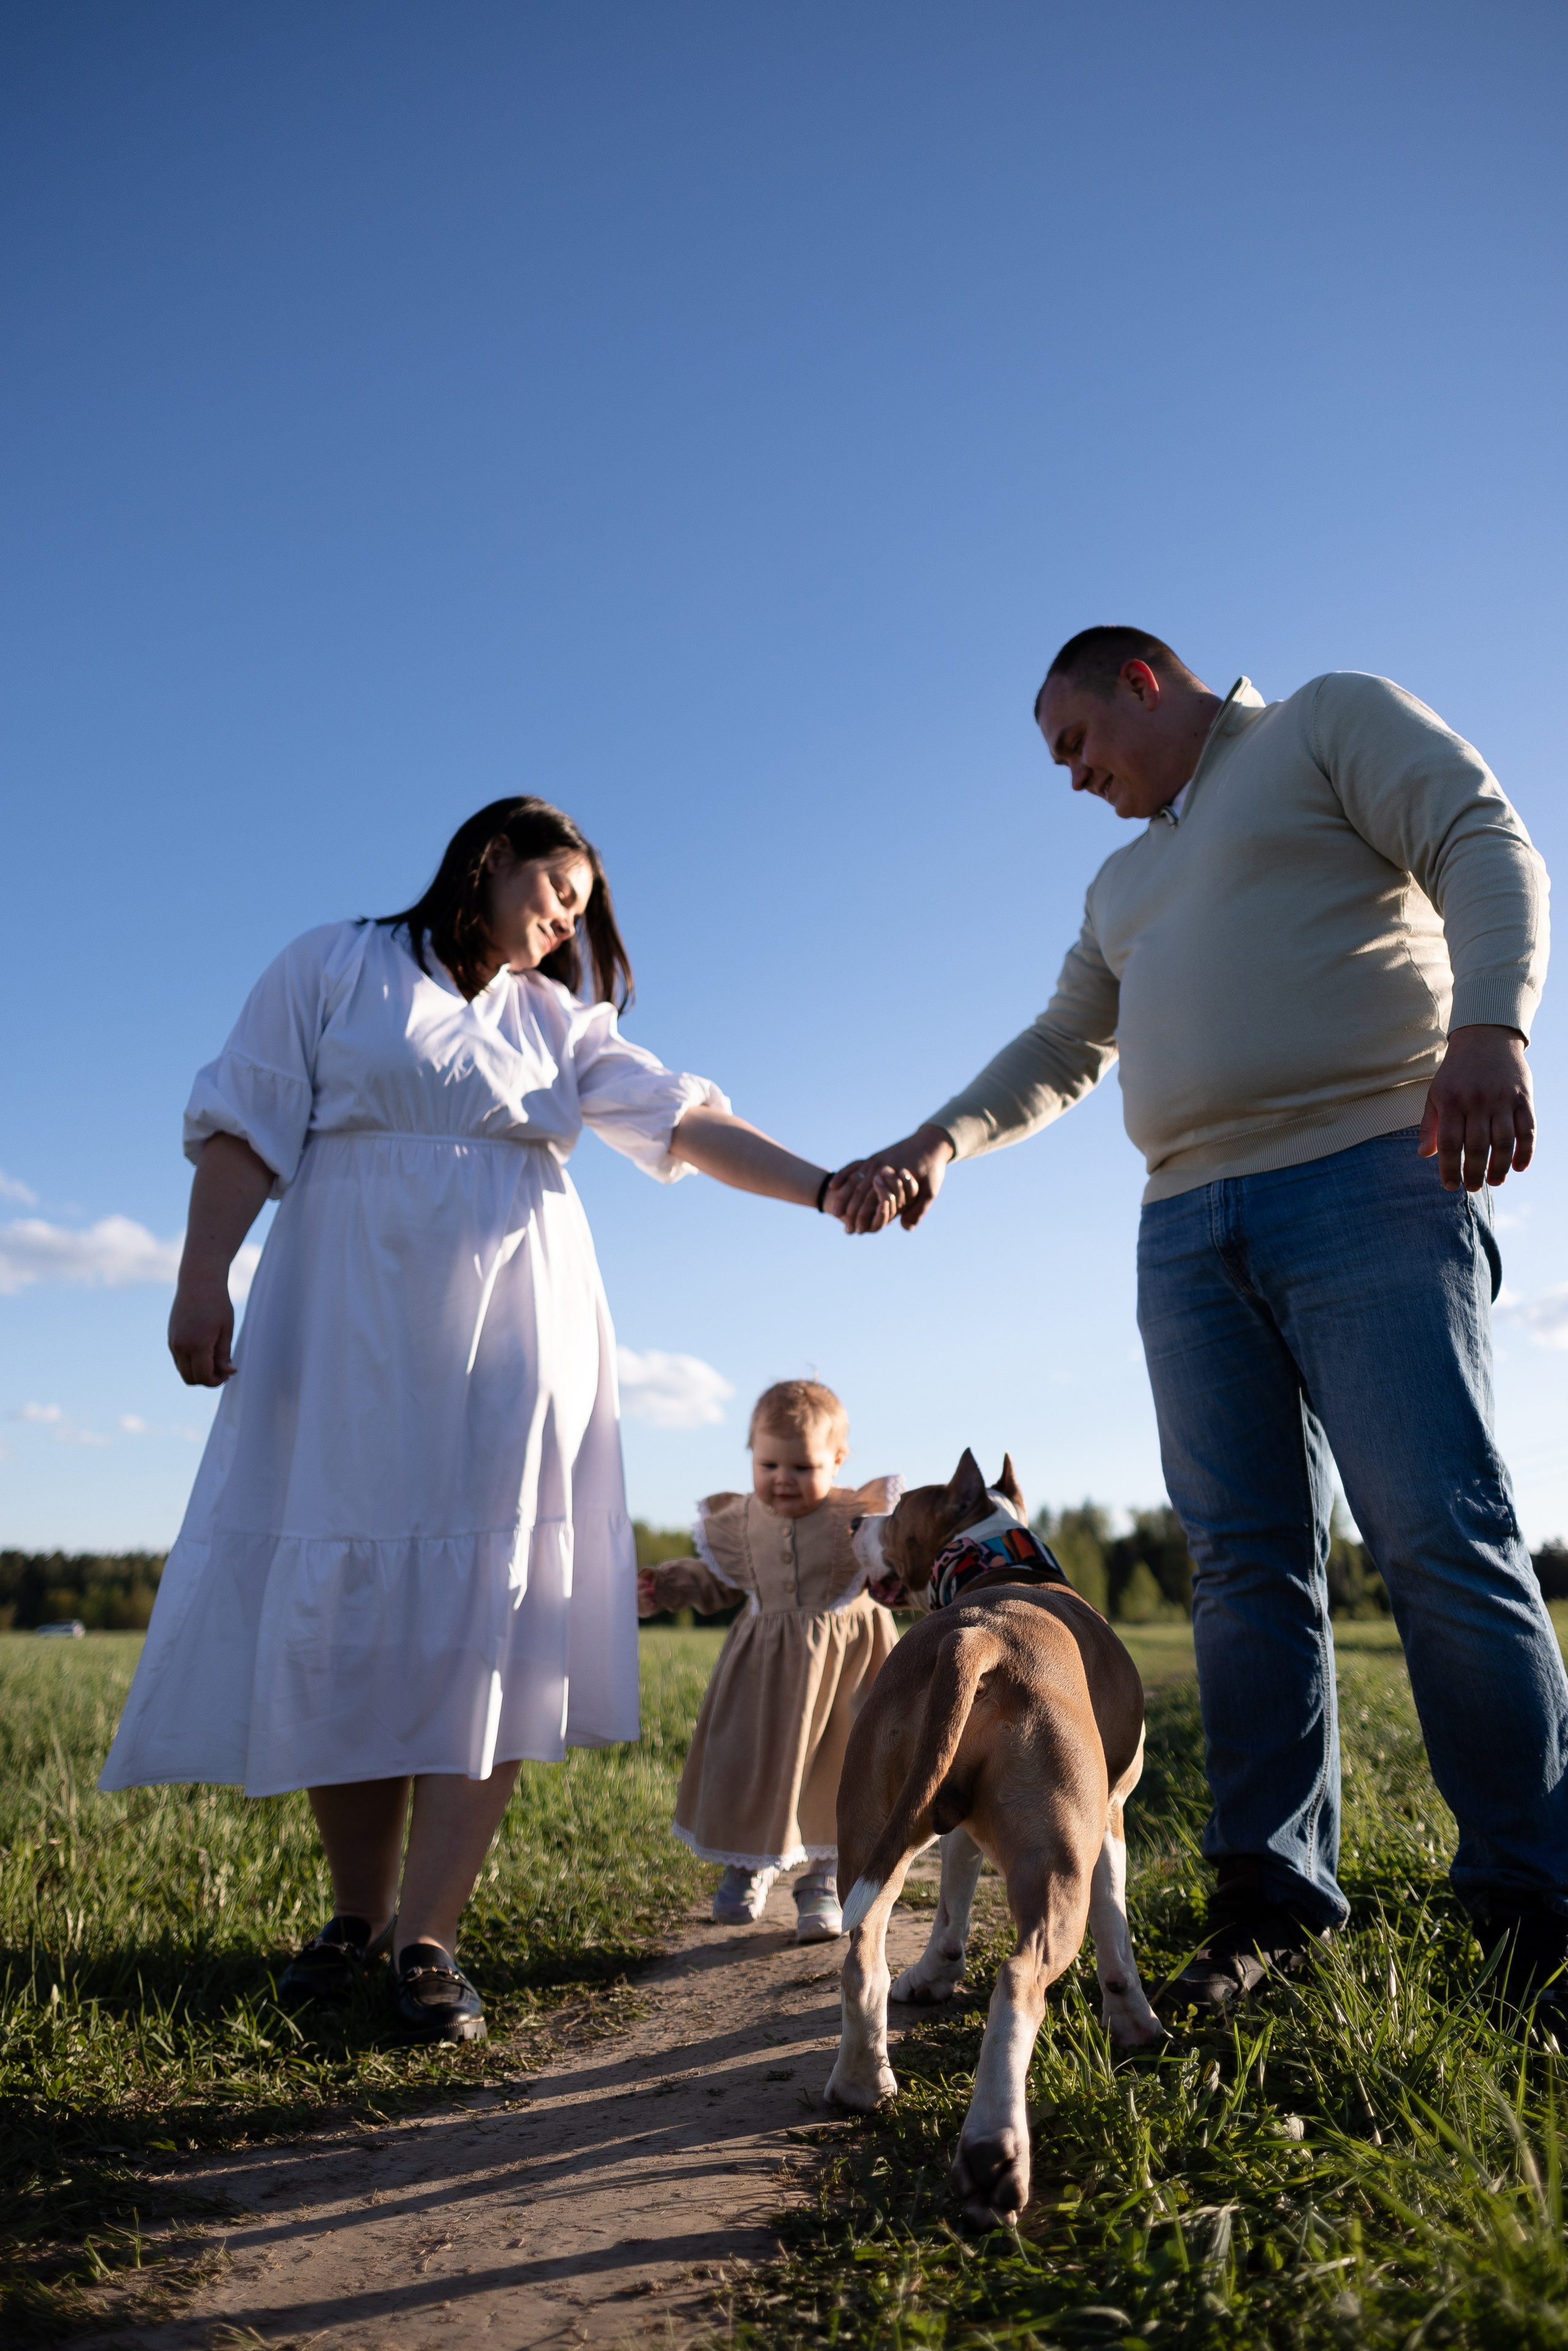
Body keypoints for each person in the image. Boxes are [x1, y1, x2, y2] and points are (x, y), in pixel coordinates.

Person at [829, 627, 1568, 2019]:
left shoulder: (1322, 725)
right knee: (1240, 1569)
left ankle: (1532, 1907)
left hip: (1366, 1171)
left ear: (1142, 684)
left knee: (1434, 1534)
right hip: (1185, 1225)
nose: (1069, 776)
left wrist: (1490, 1027)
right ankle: (1269, 1902)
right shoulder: (1122, 878)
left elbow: (1481, 837)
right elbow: (1061, 1043)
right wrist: (936, 1141)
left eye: (1073, 742)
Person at [100, 798, 905, 2043]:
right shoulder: (330, 964)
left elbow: (684, 1123)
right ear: (490, 864)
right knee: (348, 1609)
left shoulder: (560, 1021)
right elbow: (244, 1120)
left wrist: (822, 1186)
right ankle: (353, 1918)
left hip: (514, 1340)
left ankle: (431, 1937)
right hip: (344, 1317)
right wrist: (203, 1272)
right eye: (556, 891)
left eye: (581, 908)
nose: (567, 919)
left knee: (490, 1615)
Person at [636, 1378, 899, 1942]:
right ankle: (749, 1863)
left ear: (836, 1459)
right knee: (753, 1764)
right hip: (762, 1675)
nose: (783, 1480)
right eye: (769, 1464)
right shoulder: (741, 1522)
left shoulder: (859, 1517)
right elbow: (716, 1580)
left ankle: (824, 1879)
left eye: (803, 1468)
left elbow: (897, 1565)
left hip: (847, 1675)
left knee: (840, 1770)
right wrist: (668, 1586)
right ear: (752, 1456)